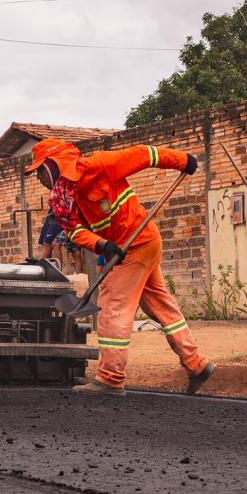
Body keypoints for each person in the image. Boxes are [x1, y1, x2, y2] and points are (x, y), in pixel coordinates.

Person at [27, 138, 213, 395]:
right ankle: (197, 365)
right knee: (161, 307)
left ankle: (110, 378)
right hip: (127, 246)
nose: (38, 176)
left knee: (113, 307)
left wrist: (182, 160)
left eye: (40, 169)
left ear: (55, 164)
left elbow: (144, 154)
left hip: (137, 243)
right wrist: (101, 245)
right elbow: (74, 231)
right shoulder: (63, 198)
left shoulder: (100, 165)